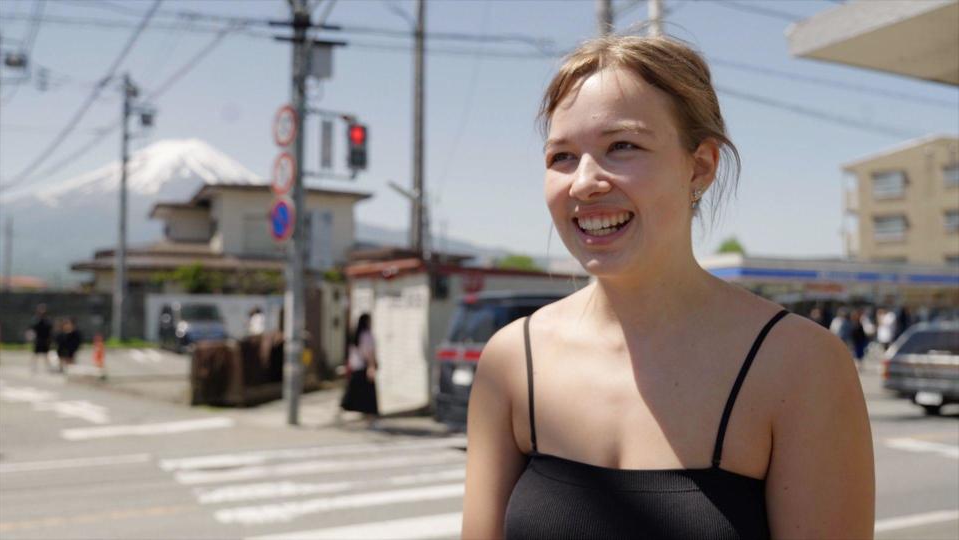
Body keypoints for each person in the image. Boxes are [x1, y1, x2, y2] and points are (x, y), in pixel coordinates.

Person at [461, 34, 874, 539]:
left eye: (623, 146)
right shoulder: (511, 359)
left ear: (699, 165)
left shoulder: (800, 366)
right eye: (562, 157)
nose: (584, 182)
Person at [339, 313, 378, 417]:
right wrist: (371, 366)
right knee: (367, 394)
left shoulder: (355, 334)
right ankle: (368, 415)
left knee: (352, 391)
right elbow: (369, 353)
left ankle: (345, 409)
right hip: (364, 366)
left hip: (355, 366)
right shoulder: (367, 335)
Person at [29, 304, 53, 374]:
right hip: (38, 339)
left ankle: (48, 367)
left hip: (45, 340)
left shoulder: (47, 320)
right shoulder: (36, 320)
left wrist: (49, 339)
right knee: (35, 354)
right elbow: (32, 329)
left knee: (46, 354)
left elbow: (50, 330)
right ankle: (33, 367)